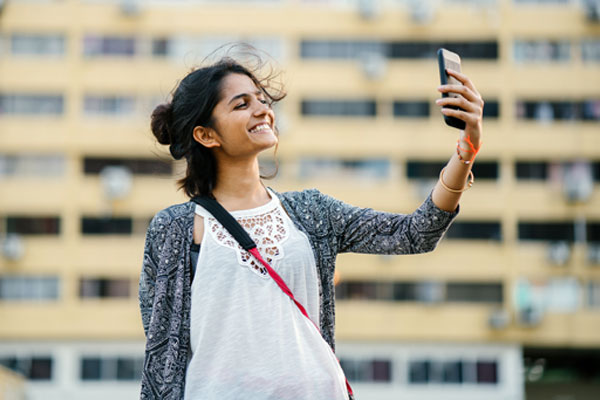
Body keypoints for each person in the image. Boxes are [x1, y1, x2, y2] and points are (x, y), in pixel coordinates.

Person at [139, 50, 483, 400]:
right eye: (241, 105)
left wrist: (466, 150)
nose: (263, 110)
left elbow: (415, 234)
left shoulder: (311, 211)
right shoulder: (176, 229)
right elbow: (162, 348)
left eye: (261, 99)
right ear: (207, 135)